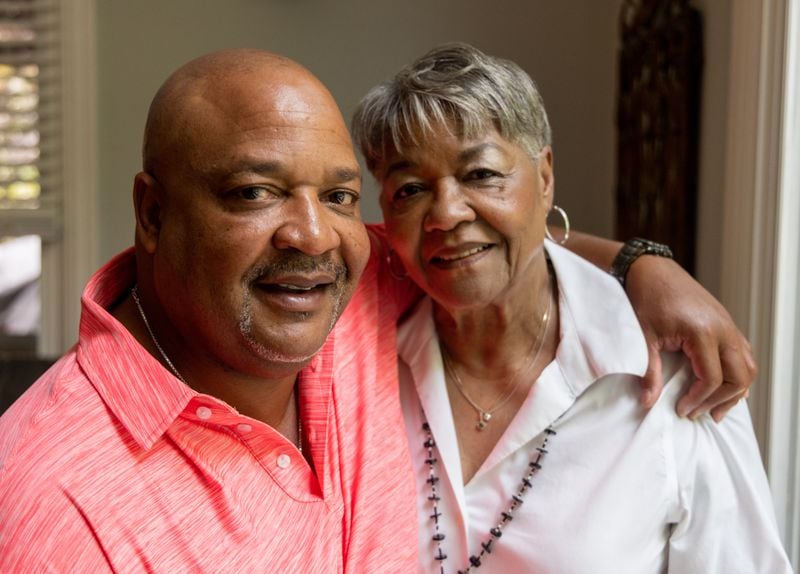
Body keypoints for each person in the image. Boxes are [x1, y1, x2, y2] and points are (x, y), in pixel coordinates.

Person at [0, 48, 759, 571]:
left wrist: (643, 264)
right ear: (154, 213)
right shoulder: (48, 503)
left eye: (337, 195)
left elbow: (490, 241)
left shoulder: (340, 293)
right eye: (253, 192)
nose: (311, 232)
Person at [351, 42, 791, 572]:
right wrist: (639, 261)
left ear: (544, 176)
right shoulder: (352, 357)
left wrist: (642, 264)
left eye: (482, 174)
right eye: (411, 189)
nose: (445, 213)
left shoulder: (675, 371)